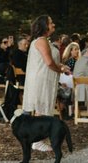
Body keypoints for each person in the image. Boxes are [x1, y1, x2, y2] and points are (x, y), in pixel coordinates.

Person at [22, 15, 70, 151]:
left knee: (42, 109)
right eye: (51, 23)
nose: (53, 24)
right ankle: (37, 141)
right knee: (41, 110)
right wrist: (60, 69)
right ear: (44, 26)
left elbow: (49, 61)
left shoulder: (45, 41)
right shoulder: (41, 41)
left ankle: (38, 139)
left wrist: (62, 66)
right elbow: (49, 62)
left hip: (45, 79)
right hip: (41, 80)